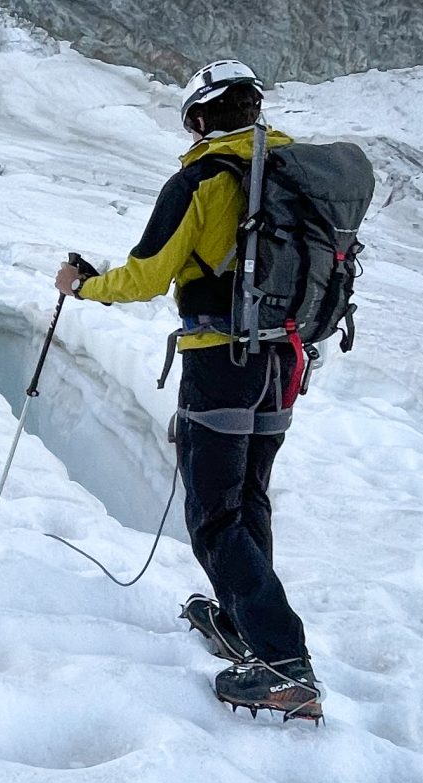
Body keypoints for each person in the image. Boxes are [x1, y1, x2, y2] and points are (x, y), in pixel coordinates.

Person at [54, 60, 322, 722]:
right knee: (247, 499)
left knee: (214, 515)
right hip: (280, 363)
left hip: (221, 362)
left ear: (200, 118)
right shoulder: (295, 179)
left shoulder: (201, 179)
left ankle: (285, 663)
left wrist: (85, 286)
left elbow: (148, 276)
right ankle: (241, 624)